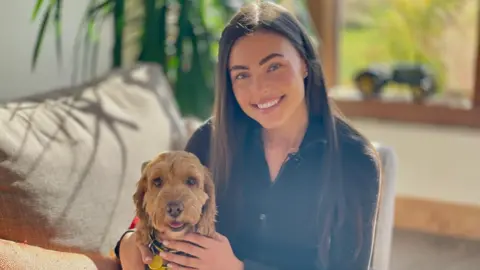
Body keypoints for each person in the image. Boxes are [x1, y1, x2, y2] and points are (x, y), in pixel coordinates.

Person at [116, 1, 381, 270]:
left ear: (304, 63)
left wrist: (238, 268)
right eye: (242, 75)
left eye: (274, 67)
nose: (260, 88)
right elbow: (156, 218)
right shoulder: (207, 141)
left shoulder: (354, 160)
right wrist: (131, 242)